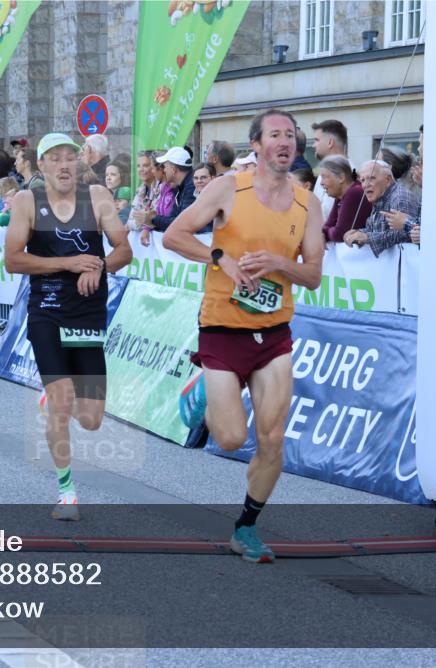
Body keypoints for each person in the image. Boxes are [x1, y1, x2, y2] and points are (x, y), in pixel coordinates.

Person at [162, 109, 324, 563]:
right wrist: (221, 259)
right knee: (231, 439)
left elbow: (312, 275)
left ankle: (246, 528)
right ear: (256, 145)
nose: (284, 142)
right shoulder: (229, 188)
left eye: (290, 136)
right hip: (222, 328)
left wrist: (278, 264)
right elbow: (173, 235)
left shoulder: (307, 203)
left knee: (273, 440)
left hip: (273, 334)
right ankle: (202, 394)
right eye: (274, 135)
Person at [4, 132, 132, 521]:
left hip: (87, 314)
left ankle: (55, 398)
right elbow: (13, 260)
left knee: (91, 419)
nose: (63, 165)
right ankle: (67, 493)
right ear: (40, 166)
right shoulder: (28, 201)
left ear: (79, 164)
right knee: (61, 403)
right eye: (54, 158)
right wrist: (68, 264)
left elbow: (124, 249)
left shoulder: (97, 199)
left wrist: (101, 266)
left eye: (69, 158)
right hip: (47, 311)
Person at [342, 160, 419, 256]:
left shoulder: (399, 197)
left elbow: (404, 234)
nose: (366, 185)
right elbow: (375, 230)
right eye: (362, 180)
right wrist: (356, 234)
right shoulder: (380, 197)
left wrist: (367, 237)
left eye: (371, 178)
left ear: (387, 180)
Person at [318, 155, 372, 243]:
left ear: (341, 178)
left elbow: (339, 234)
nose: (321, 183)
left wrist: (327, 232)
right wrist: (328, 231)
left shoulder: (354, 192)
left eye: (324, 177)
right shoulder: (341, 195)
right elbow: (327, 227)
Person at [146, 147, 195, 233]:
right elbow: (174, 218)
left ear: (173, 170)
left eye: (165, 167)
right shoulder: (181, 186)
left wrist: (153, 218)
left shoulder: (191, 186)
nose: (164, 170)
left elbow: (181, 223)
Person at [311, 119, 349, 218]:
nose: (313, 145)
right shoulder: (324, 171)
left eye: (317, 140)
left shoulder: (349, 173)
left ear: (330, 142)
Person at [126, 150, 161, 231]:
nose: (141, 169)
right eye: (138, 166)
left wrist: (142, 221)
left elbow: (153, 219)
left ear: (154, 167)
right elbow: (130, 220)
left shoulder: (162, 188)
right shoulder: (141, 190)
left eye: (145, 165)